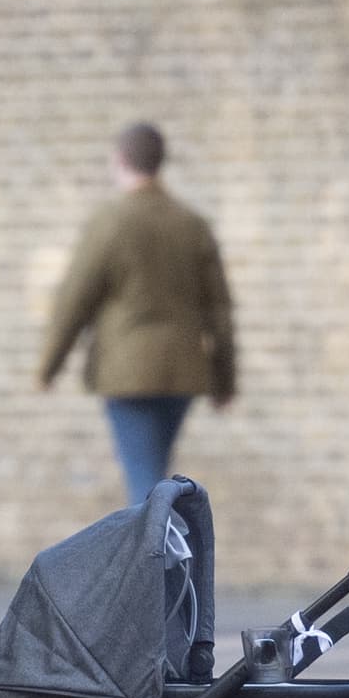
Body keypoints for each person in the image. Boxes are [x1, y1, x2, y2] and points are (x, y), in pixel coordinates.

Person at [37, 123, 237, 504]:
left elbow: (74, 300)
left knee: (145, 487)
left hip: (127, 374)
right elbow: (220, 310)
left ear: (121, 160)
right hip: (183, 372)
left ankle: (158, 562)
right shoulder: (192, 225)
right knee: (154, 476)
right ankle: (165, 558)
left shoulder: (110, 222)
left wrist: (49, 367)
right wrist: (224, 380)